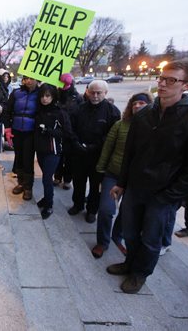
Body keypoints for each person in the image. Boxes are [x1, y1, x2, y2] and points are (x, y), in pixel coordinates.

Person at [107, 60, 188, 294]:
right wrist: (121, 183)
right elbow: (130, 152)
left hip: (164, 194)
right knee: (129, 231)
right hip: (136, 188)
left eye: (171, 80)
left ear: (186, 84)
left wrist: (171, 196)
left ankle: (140, 274)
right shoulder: (145, 113)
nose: (162, 84)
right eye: (161, 78)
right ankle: (130, 263)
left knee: (151, 239)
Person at [91, 92, 153, 258]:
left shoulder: (156, 126)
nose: (137, 106)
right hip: (114, 174)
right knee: (105, 209)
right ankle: (102, 242)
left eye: (141, 103)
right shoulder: (120, 125)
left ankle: (117, 236)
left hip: (136, 179)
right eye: (134, 103)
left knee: (127, 213)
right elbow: (107, 148)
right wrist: (100, 169)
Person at [68, 80, 120, 223]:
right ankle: (77, 204)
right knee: (78, 182)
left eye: (99, 93)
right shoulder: (79, 109)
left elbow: (111, 135)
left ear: (105, 93)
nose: (95, 96)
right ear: (87, 92)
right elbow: (71, 129)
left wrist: (94, 146)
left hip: (99, 156)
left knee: (95, 185)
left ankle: (92, 210)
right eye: (92, 92)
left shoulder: (112, 111)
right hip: (79, 153)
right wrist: (77, 144)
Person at [34, 83, 71, 218]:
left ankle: (49, 205)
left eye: (48, 96)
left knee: (46, 178)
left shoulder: (59, 112)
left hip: (53, 151)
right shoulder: (39, 110)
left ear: (53, 96)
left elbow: (67, 132)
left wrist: (49, 131)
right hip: (40, 150)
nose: (44, 99)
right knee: (46, 177)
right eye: (42, 96)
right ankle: (46, 198)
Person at [3, 75, 38, 199]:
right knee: (19, 157)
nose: (29, 80)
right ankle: (21, 183)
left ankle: (28, 187)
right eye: (26, 78)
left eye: (31, 78)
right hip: (16, 130)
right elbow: (7, 111)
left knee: (28, 159)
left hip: (31, 132)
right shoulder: (16, 93)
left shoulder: (41, 93)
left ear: (37, 79)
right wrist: (7, 128)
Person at [54, 73, 82, 190]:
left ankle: (67, 179)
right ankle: (57, 176)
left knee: (69, 158)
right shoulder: (56, 96)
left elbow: (81, 114)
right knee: (58, 156)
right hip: (58, 131)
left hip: (72, 132)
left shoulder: (77, 97)